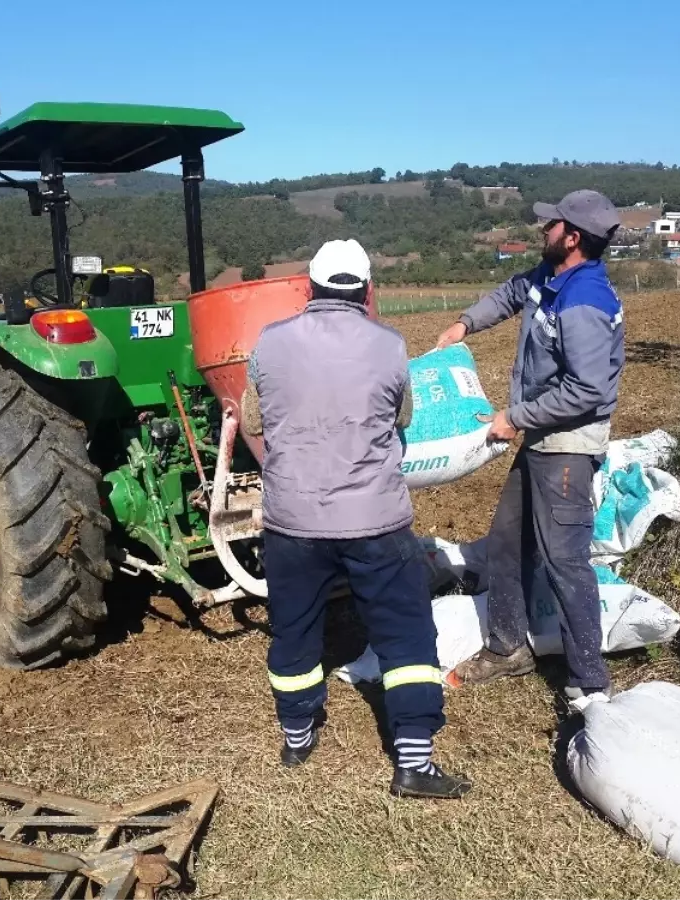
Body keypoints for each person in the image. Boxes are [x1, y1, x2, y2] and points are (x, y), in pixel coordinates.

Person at [241, 239, 471, 800]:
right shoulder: (389, 346)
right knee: (406, 633)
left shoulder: (270, 343)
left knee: (295, 628)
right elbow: (404, 416)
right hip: (375, 520)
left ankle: (297, 736)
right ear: (367, 291)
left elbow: (252, 418)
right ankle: (413, 762)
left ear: (310, 288)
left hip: (292, 521)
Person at [436, 189, 625, 700]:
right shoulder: (551, 276)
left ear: (573, 237)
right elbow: (510, 292)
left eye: (552, 225)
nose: (543, 230)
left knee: (565, 560)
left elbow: (588, 390)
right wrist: (464, 324)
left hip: (565, 445)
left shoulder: (584, 301)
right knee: (506, 543)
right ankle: (508, 647)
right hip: (542, 436)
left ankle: (588, 679)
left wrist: (514, 418)